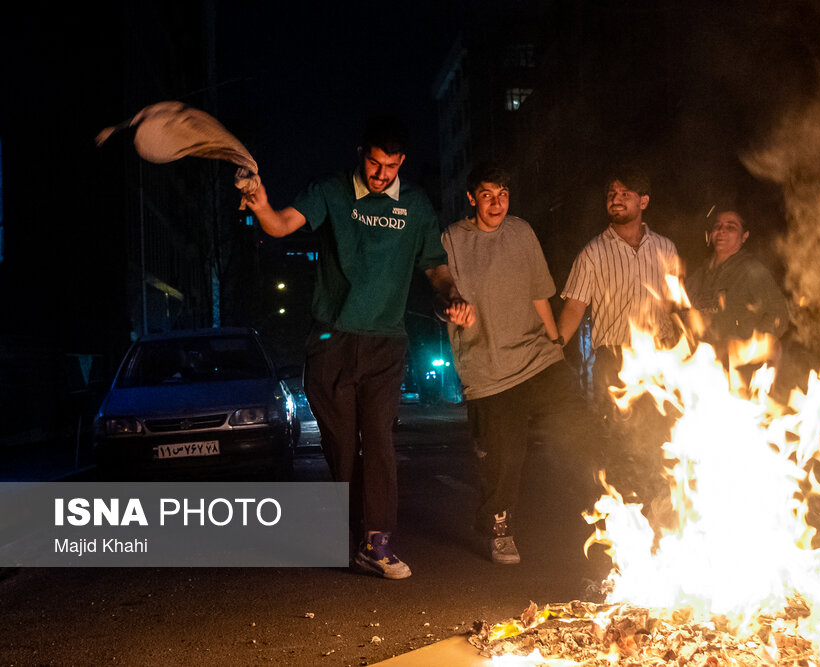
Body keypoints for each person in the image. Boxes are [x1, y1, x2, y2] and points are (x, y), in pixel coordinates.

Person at [244, 115, 472, 580]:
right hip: (332, 340)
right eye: (374, 162)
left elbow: (436, 267)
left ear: (401, 162)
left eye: (390, 166)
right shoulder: (330, 190)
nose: (381, 173)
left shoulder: (415, 205)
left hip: (385, 342)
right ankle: (356, 535)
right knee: (344, 449)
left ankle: (377, 542)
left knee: (380, 440)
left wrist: (452, 297)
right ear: (361, 154)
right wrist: (262, 205)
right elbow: (282, 224)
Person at [441, 163, 605, 565]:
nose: (496, 204)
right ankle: (500, 528)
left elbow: (539, 293)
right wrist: (452, 308)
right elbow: (443, 290)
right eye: (486, 195)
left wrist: (556, 342)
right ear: (471, 198)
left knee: (583, 427)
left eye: (503, 195)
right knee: (503, 457)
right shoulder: (453, 240)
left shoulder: (522, 231)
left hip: (538, 356)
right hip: (489, 368)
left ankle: (608, 508)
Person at [558, 166, 682, 421]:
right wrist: (553, 348)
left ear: (643, 201)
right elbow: (574, 307)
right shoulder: (593, 252)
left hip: (658, 356)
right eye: (611, 194)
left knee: (658, 436)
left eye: (625, 193)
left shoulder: (665, 247)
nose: (615, 199)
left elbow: (674, 303)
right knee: (617, 439)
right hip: (613, 360)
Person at [685, 209, 789, 360]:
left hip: (738, 369)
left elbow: (778, 313)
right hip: (702, 366)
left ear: (744, 236)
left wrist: (751, 345)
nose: (722, 231)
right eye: (717, 226)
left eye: (730, 227)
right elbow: (680, 312)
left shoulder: (752, 271)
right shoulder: (700, 275)